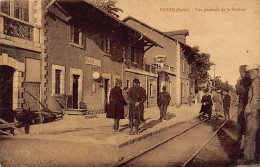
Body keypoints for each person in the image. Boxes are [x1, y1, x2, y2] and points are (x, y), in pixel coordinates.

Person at [243, 64, 260, 165]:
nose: (250, 74)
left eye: (252, 72)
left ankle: (249, 158)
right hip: (254, 110)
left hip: (253, 111)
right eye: (249, 72)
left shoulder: (257, 82)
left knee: (250, 133)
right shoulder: (255, 81)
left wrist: (249, 108)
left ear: (257, 71)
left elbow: (256, 97)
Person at [235, 65, 252, 162]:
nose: (241, 75)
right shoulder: (241, 83)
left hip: (247, 109)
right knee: (241, 130)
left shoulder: (252, 81)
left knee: (247, 130)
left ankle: (246, 153)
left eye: (242, 73)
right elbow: (238, 91)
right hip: (242, 108)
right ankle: (240, 151)